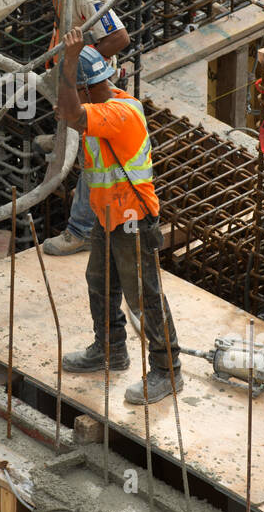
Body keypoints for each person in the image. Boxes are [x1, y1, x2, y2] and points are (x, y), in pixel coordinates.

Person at [53, 26, 182, 405]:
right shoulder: (105, 104)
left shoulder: (117, 114)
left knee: (144, 296)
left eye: (76, 88)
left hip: (132, 220)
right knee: (100, 280)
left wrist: (71, 60)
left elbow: (68, 113)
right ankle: (110, 350)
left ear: (87, 89)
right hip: (107, 217)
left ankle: (167, 371)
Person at [40, 0, 130, 257]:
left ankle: (80, 232)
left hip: (91, 86)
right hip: (79, 81)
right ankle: (66, 136)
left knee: (93, 159)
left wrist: (77, 67)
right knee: (81, 137)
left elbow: (119, 38)